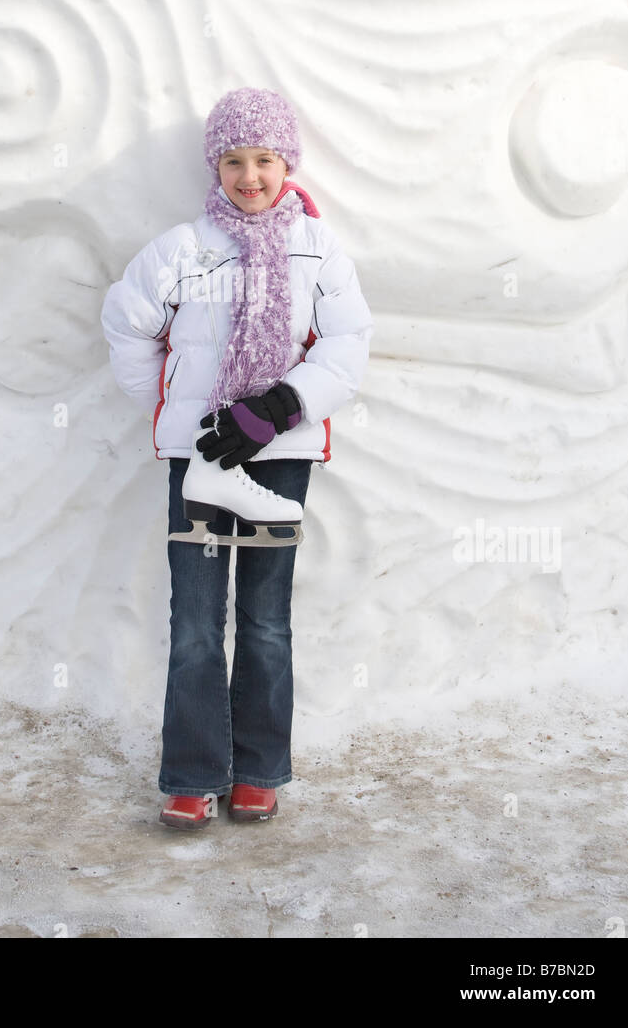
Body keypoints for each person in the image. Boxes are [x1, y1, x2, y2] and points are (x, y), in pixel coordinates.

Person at [100, 87, 373, 829]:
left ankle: (256, 768)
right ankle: (192, 772)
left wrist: (279, 408)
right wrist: (170, 411)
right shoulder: (183, 248)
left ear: (287, 162)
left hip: (278, 457)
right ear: (214, 166)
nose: (250, 176)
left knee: (264, 619)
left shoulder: (318, 250)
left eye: (264, 159)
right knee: (194, 619)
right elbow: (126, 321)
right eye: (233, 160)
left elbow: (348, 348)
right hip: (200, 459)